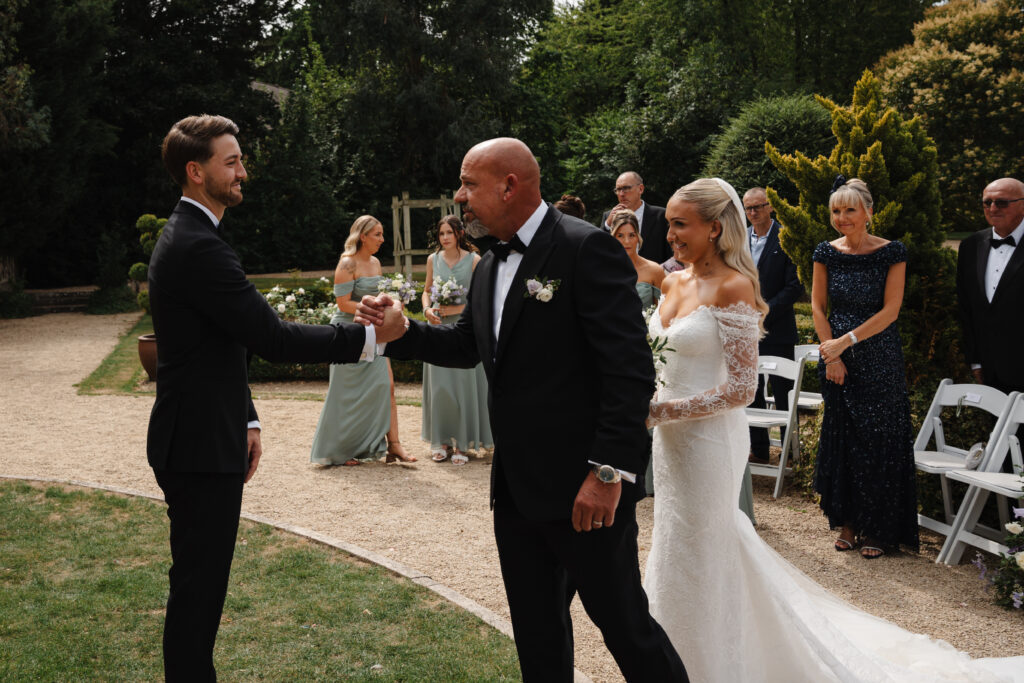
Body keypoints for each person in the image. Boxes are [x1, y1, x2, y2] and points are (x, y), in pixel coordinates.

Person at [644, 177, 1024, 683]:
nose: (668, 234)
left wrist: (660, 411)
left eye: (678, 224)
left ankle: (717, 658)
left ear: (715, 228)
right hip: (671, 442)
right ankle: (670, 649)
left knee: (704, 537)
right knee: (676, 537)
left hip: (707, 439)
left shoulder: (734, 287)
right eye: (668, 223)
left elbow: (741, 390)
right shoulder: (677, 280)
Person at [359, 138, 687, 682]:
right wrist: (402, 333)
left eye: (469, 184)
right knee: (537, 635)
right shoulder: (490, 263)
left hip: (587, 490)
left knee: (626, 627)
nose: (461, 197)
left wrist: (607, 472)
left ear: (510, 185)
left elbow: (629, 373)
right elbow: (468, 345)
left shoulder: (586, 250)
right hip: (515, 492)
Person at [147, 115, 405, 681]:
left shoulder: (197, 235)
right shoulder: (197, 245)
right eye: (231, 161)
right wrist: (368, 337)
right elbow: (271, 337)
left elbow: (218, 342)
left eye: (241, 159)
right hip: (195, 446)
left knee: (200, 589)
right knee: (197, 593)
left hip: (207, 433)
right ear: (196, 171)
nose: (244, 171)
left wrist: (246, 414)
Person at [811, 177, 916, 559]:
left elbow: (890, 311)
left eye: (849, 209)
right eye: (836, 211)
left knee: (879, 441)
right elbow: (818, 308)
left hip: (879, 357)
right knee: (845, 440)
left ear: (868, 212)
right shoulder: (825, 251)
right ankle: (849, 522)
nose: (842, 217)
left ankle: (880, 528)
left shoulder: (892, 252)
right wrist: (833, 356)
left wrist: (846, 342)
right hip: (837, 360)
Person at [310, 216, 416, 466]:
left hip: (372, 330)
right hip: (348, 331)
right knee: (345, 392)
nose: (382, 239)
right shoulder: (347, 263)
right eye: (377, 234)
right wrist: (376, 311)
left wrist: (386, 304)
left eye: (382, 234)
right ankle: (339, 449)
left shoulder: (377, 262)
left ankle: (394, 446)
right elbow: (343, 303)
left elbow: (375, 294)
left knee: (387, 384)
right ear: (362, 236)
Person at [421, 215, 492, 463]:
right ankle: (441, 441)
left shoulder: (474, 260)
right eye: (441, 234)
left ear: (459, 234)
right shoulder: (433, 259)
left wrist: (455, 311)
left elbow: (482, 299)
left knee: (463, 387)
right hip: (438, 328)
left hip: (464, 330)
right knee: (441, 388)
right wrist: (427, 310)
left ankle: (463, 444)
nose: (445, 238)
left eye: (449, 233)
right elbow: (427, 291)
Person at [743, 187, 804, 466]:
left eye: (758, 207)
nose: (753, 212)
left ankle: (790, 452)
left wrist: (765, 311)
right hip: (747, 328)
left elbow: (794, 285)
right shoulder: (740, 238)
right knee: (752, 391)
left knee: (783, 392)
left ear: (770, 207)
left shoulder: (785, 238)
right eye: (748, 208)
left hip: (778, 328)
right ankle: (760, 450)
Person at [956, 177, 1024, 395]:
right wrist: (975, 360)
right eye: (987, 202)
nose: (993, 208)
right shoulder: (970, 246)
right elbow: (966, 308)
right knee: (998, 430)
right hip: (991, 372)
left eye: (1002, 202)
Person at [600, 171, 671, 263]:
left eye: (626, 188)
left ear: (640, 189)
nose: (621, 194)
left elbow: (671, 252)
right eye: (618, 189)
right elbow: (599, 249)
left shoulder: (661, 215)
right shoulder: (608, 217)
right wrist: (607, 225)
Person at [610, 208, 665, 308]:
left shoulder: (654, 270)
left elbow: (663, 312)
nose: (627, 241)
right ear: (613, 237)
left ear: (638, 237)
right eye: (620, 235)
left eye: (631, 235)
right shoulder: (603, 270)